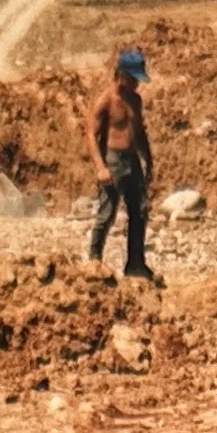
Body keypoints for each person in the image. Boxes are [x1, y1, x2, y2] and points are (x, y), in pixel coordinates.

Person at [85, 48, 155, 279]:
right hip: (112, 159)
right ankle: (94, 259)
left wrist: (148, 160)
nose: (137, 84)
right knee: (107, 213)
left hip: (132, 159)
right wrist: (100, 167)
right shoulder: (105, 101)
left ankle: (135, 263)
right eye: (134, 79)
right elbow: (91, 136)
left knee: (139, 211)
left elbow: (139, 132)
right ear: (122, 75)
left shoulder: (135, 100)